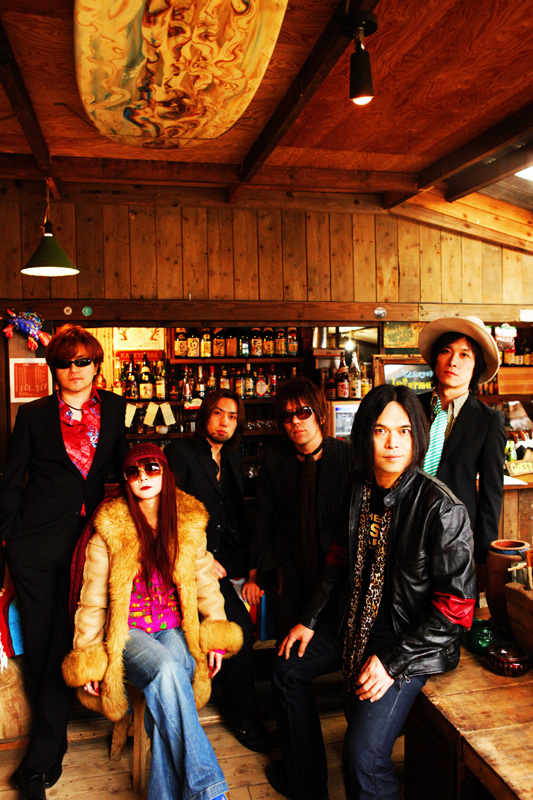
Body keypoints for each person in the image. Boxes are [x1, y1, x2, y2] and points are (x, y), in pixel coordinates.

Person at [270, 384, 476, 800]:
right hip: (355, 621)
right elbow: (338, 559)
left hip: (410, 639)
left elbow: (455, 610)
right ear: (365, 435)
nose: (392, 443)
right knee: (286, 668)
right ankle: (306, 784)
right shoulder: (360, 489)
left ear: (417, 437)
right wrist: (309, 620)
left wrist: (393, 660)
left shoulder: (441, 508)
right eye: (381, 431)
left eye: (404, 431)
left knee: (363, 758)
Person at [62, 443, 243, 800]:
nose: (143, 477)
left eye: (152, 468)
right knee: (168, 669)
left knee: (169, 684)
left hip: (174, 626)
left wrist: (216, 631)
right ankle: (209, 790)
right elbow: (92, 599)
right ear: (126, 481)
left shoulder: (188, 521)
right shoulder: (110, 529)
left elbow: (205, 582)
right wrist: (89, 656)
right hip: (129, 633)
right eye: (133, 472)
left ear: (165, 472)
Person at [0, 325, 127, 800]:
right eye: (64, 363)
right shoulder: (33, 415)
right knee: (41, 643)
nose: (73, 370)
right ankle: (45, 755)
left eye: (82, 361)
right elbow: (12, 481)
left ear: (96, 365)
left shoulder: (114, 408)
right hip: (33, 547)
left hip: (86, 547)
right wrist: (6, 545)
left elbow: (124, 471)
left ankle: (46, 750)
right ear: (52, 368)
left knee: (64, 640)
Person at [164, 389, 271, 753]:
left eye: (232, 416)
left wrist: (253, 569)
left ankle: (258, 700)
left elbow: (238, 513)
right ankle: (242, 714)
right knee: (237, 628)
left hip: (232, 561)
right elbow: (171, 516)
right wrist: (206, 558)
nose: (225, 422)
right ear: (204, 416)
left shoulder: (232, 455)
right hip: (195, 565)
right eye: (218, 414)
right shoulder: (180, 453)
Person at [253, 377, 354, 640]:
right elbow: (263, 517)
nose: (295, 421)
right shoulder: (275, 459)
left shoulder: (347, 457)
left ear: (321, 415)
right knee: (287, 639)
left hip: (335, 562)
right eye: (287, 416)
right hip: (288, 561)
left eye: (303, 412)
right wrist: (257, 571)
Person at [418, 316, 506, 574]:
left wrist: (482, 558)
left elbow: (491, 495)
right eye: (446, 351)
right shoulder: (410, 407)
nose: (453, 361)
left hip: (455, 537)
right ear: (435, 359)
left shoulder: (488, 420)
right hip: (405, 526)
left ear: (476, 365)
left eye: (464, 354)